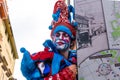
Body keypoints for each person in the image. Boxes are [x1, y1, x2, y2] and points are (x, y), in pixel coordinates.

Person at [20, 0, 78, 80]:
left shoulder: (77, 58)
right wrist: (65, 75)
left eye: (65, 35)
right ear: (53, 39)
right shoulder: (43, 60)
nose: (61, 38)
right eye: (57, 35)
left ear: (71, 41)